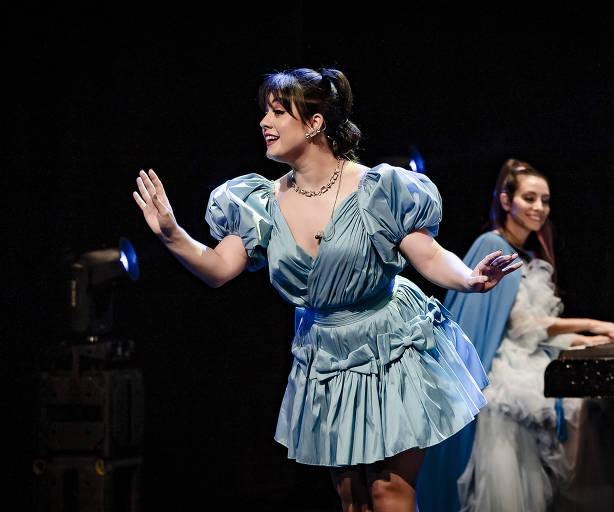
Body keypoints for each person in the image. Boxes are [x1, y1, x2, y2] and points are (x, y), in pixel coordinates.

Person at [131, 67, 521, 512]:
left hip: (389, 345)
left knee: (388, 491)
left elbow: (428, 256)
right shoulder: (261, 201)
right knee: (352, 498)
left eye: (278, 112)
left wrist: (469, 278)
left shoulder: (377, 189)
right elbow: (220, 268)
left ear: (315, 123)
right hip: (326, 353)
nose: (265, 122)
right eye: (265, 112)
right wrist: (171, 233)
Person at [417, 158, 614, 512]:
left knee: (588, 405)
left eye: (545, 200)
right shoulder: (492, 244)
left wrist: (588, 339)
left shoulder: (529, 253)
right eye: (530, 198)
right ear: (507, 201)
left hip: (528, 353)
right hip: (503, 365)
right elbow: (520, 324)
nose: (539, 208)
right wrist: (591, 325)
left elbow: (532, 327)